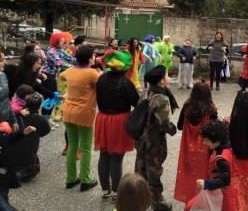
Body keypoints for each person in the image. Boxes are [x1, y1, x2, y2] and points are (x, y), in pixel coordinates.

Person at [95, 50, 139, 200]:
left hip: (103, 118)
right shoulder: (126, 83)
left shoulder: (101, 79)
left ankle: (105, 189)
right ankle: (115, 191)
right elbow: (136, 103)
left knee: (104, 154)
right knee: (116, 156)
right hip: (119, 120)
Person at [135, 65, 177, 211]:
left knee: (141, 169)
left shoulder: (147, 93)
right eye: (166, 76)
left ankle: (138, 200)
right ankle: (158, 203)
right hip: (154, 141)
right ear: (161, 81)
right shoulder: (161, 98)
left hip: (141, 138)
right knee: (153, 172)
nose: (168, 78)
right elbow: (163, 124)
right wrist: (173, 129)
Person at [60, 46, 100, 192]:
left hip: (68, 111)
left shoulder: (70, 70)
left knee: (72, 145)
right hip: (84, 113)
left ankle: (70, 179)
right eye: (93, 55)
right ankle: (85, 179)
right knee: (85, 147)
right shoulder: (92, 73)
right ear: (90, 58)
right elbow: (101, 84)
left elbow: (62, 76)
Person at [174, 82, 218, 203]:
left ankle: (189, 201)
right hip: (204, 148)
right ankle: (201, 202)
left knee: (188, 174)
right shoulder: (210, 108)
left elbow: (179, 126)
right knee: (203, 174)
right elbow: (214, 129)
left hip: (187, 148)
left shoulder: (187, 106)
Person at [185, 119, 237, 211]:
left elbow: (225, 181)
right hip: (222, 192)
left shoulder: (221, 159)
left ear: (216, 139)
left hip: (221, 195)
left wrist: (206, 184)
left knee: (190, 207)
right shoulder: (226, 148)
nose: (204, 143)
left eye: (206, 140)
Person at [9, 92, 51, 182]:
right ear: (39, 106)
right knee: (30, 151)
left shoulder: (15, 116)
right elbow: (45, 131)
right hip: (29, 152)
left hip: (11, 154)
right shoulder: (41, 120)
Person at [41, 32, 73, 124]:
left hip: (53, 77)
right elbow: (59, 63)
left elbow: (70, 58)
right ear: (56, 42)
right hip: (46, 76)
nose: (64, 43)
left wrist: (80, 61)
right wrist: (74, 67)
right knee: (49, 97)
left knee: (53, 97)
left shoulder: (60, 50)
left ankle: (48, 118)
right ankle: (45, 119)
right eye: (62, 42)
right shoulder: (52, 51)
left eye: (64, 41)